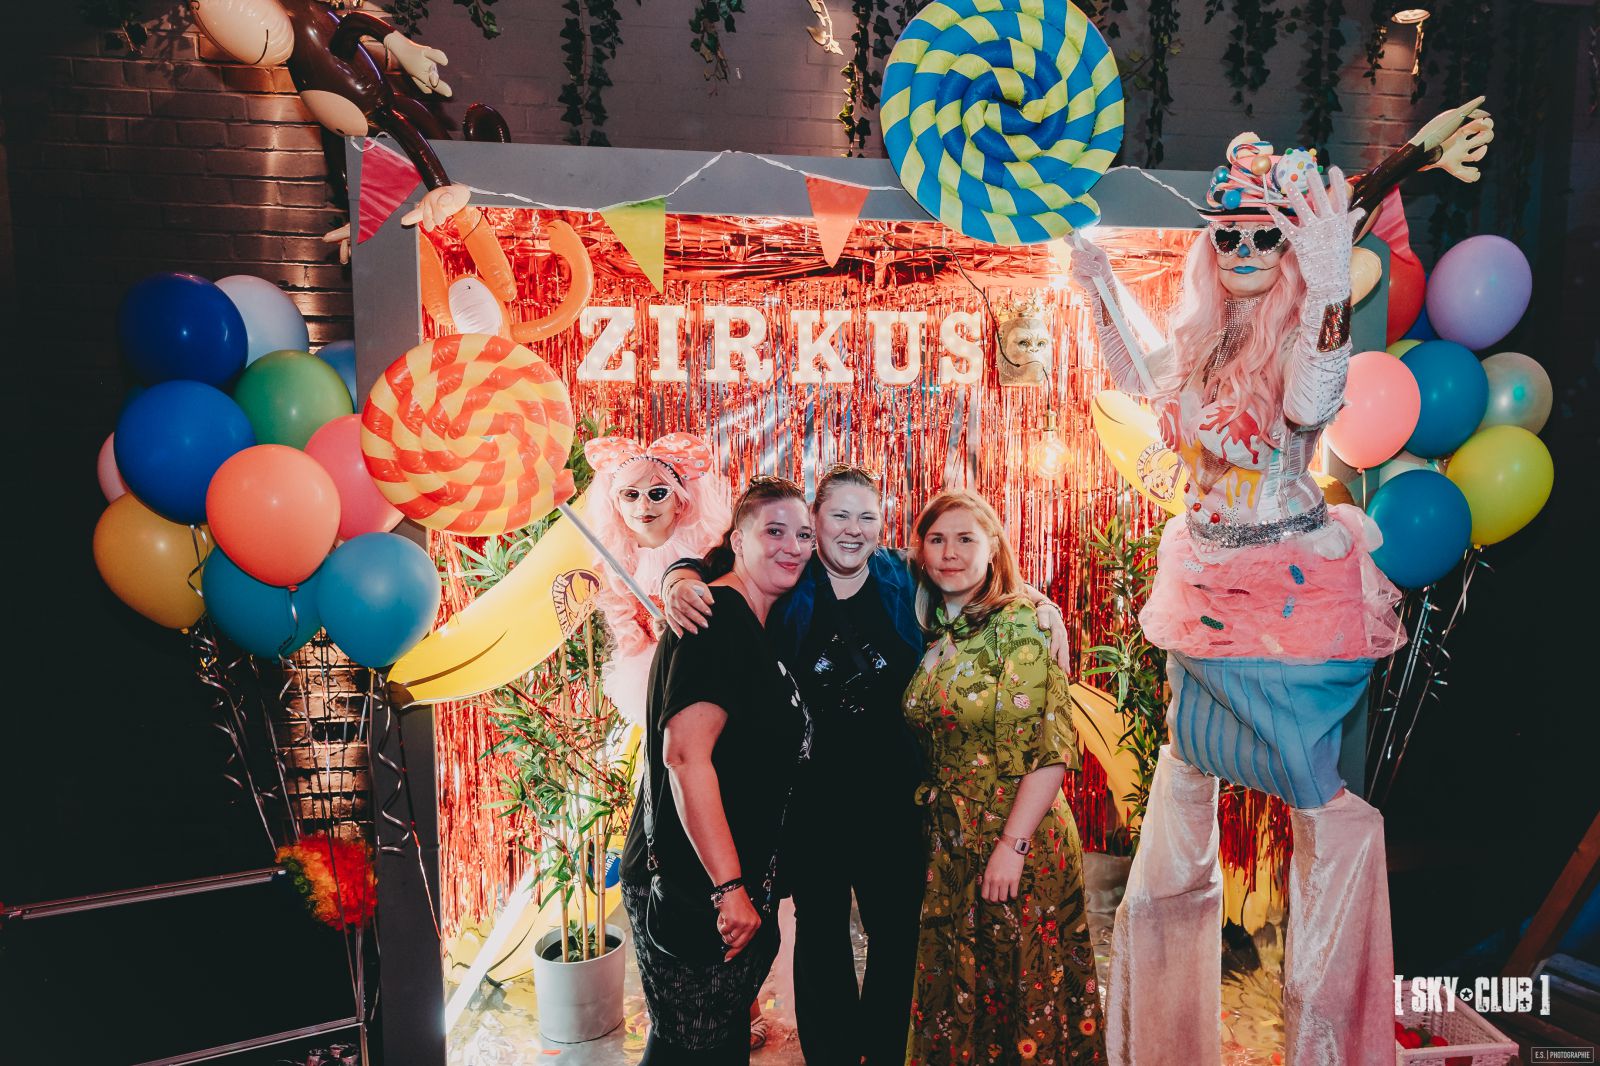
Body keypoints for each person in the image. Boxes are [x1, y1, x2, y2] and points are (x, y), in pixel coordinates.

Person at [1068, 123, 1487, 1064]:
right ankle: (1163, 1042)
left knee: (1318, 810)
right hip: (1204, 595)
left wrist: (1331, 279)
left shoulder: (1301, 333)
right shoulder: (1204, 340)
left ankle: (1330, 1043)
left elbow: (1310, 404)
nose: (1247, 248)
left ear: (1290, 244)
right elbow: (1143, 376)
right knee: (1183, 786)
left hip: (1291, 604)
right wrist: (1098, 283)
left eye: (1266, 233)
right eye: (1230, 233)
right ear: (1210, 242)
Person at [663, 466, 1073, 1066]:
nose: (853, 530)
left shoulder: (902, 577)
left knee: (897, 935)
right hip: (811, 802)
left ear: (883, 527)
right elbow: (724, 561)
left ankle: (883, 1052)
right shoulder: (788, 576)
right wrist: (678, 578)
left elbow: (976, 574)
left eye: (867, 517)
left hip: (895, 797)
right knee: (820, 935)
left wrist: (1040, 602)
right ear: (815, 522)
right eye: (839, 516)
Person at [901, 490, 1105, 1066]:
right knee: (965, 995)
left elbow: (1050, 752)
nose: (950, 553)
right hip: (953, 845)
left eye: (966, 539)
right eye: (937, 539)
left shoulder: (1019, 627)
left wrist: (1011, 848)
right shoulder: (938, 627)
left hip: (1019, 842)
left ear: (993, 547)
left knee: (1021, 999)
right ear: (921, 552)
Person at [619, 477, 815, 1065]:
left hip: (717, 884)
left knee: (714, 1043)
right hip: (697, 886)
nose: (792, 546)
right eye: (774, 530)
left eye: (803, 535)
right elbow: (684, 756)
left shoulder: (748, 619)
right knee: (690, 1049)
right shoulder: (718, 617)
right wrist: (729, 889)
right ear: (737, 539)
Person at [583, 432, 731, 729]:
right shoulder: (617, 564)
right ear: (616, 503)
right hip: (654, 678)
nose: (643, 506)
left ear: (679, 501)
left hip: (711, 675)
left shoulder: (707, 554)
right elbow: (629, 637)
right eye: (631, 494)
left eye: (658, 493)